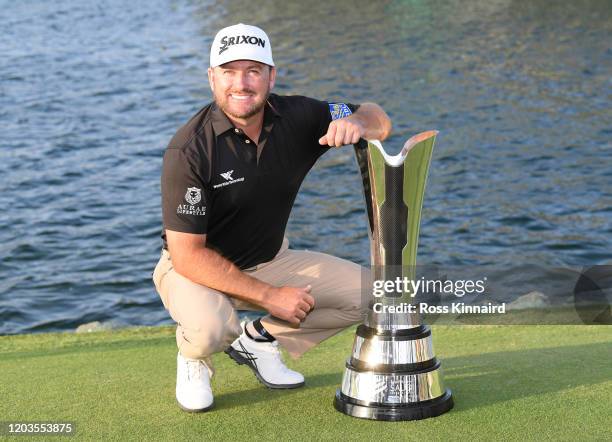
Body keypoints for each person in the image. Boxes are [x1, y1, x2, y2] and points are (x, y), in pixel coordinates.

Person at [152, 23, 391, 412]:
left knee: (375, 296)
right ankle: (194, 358)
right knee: (214, 328)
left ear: (271, 76)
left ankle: (259, 341)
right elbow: (187, 255)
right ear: (212, 78)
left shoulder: (299, 115)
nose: (241, 83)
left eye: (253, 71)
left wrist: (358, 123)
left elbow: (376, 115)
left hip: (270, 260)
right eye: (229, 71)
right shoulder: (189, 151)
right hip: (192, 270)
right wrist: (270, 297)